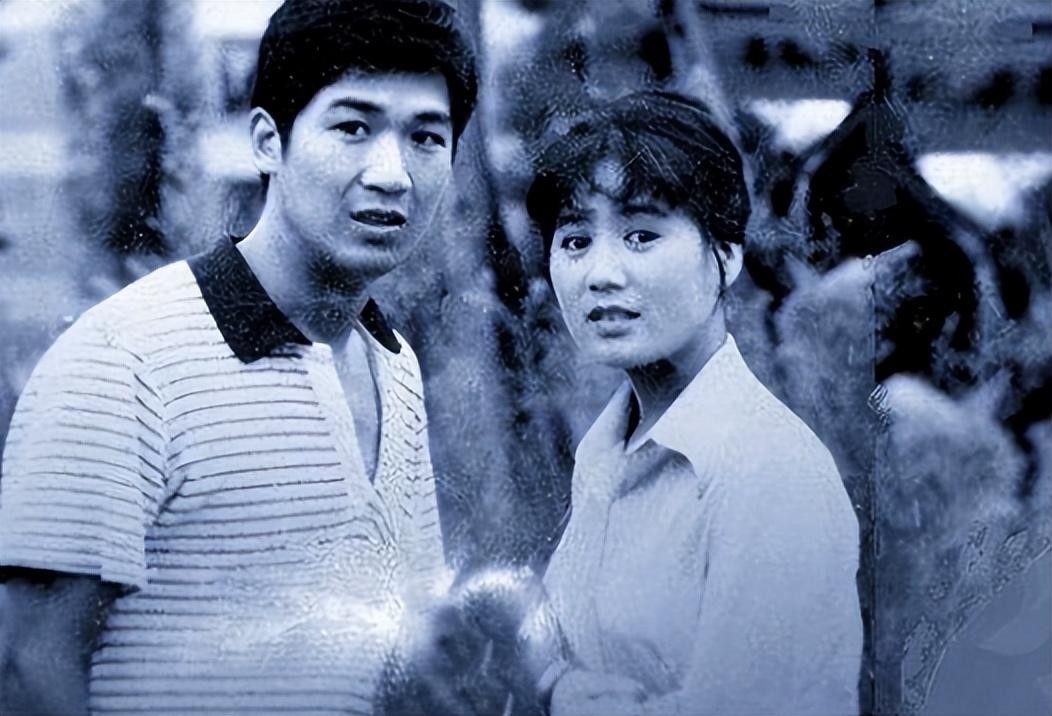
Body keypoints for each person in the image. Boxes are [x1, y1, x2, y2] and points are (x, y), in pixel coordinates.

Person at [0, 1, 477, 714]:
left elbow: (401, 655)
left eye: (426, 137)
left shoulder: (394, 363)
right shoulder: (123, 357)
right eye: (353, 127)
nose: (392, 173)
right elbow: (29, 667)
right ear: (267, 142)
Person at [523, 90, 863, 715]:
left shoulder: (770, 472)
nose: (601, 273)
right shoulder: (606, 453)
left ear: (725, 256)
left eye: (641, 235)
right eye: (575, 241)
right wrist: (555, 688)